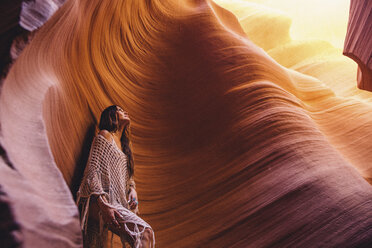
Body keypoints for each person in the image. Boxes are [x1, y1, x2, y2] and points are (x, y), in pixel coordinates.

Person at [76, 105, 155, 248]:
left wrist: (132, 189)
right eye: (119, 110)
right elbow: (92, 172)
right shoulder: (105, 135)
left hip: (115, 203)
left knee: (138, 239)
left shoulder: (125, 148)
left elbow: (128, 178)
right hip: (100, 200)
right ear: (110, 115)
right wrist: (103, 204)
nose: (124, 111)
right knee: (145, 233)